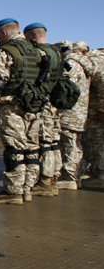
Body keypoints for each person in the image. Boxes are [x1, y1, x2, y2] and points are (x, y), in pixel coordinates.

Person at [0, 19, 42, 204]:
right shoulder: (37, 51)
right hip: (34, 105)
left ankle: (13, 191)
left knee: (14, 148)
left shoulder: (7, 52)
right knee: (32, 148)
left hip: (11, 106)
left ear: (4, 33)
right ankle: (28, 188)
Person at [23, 22, 64, 196]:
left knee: (42, 142)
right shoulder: (57, 52)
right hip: (54, 103)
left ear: (33, 35)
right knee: (53, 141)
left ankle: (45, 181)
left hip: (40, 103)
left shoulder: (39, 54)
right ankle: (53, 177)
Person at [56, 41, 93, 189]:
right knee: (76, 145)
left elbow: (65, 85)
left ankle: (69, 177)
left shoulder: (73, 64)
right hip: (81, 111)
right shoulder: (87, 66)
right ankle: (76, 173)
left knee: (69, 144)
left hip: (70, 111)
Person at [81, 48, 104, 188]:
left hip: (97, 113)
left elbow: (102, 82)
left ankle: (99, 176)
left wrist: (102, 109)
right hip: (96, 111)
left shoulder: (97, 59)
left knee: (96, 143)